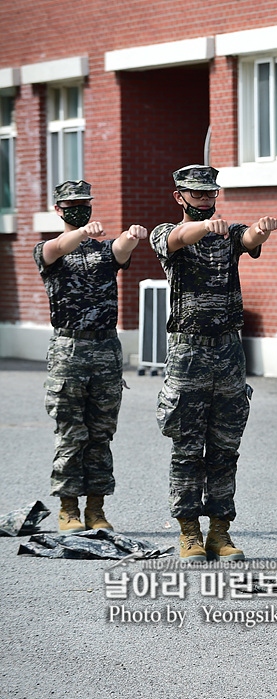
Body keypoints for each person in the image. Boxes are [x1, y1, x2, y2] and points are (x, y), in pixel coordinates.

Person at [151, 165, 277, 562]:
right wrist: (206, 227)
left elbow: (250, 238)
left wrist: (262, 229)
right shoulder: (167, 234)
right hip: (188, 351)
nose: (205, 201)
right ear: (180, 197)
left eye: (210, 194)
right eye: (198, 195)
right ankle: (188, 531)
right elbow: (177, 238)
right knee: (187, 447)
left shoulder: (230, 232)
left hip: (228, 351)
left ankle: (220, 532)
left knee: (225, 447)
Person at [34, 180, 147, 533]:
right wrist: (81, 232)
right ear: (59, 209)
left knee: (100, 434)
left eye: (85, 203)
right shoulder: (49, 249)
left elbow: (122, 250)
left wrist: (132, 234)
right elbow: (58, 247)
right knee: (71, 433)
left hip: (105, 350)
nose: (79, 208)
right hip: (68, 350)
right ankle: (68, 509)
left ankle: (96, 509)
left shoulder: (102, 250)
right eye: (71, 205)